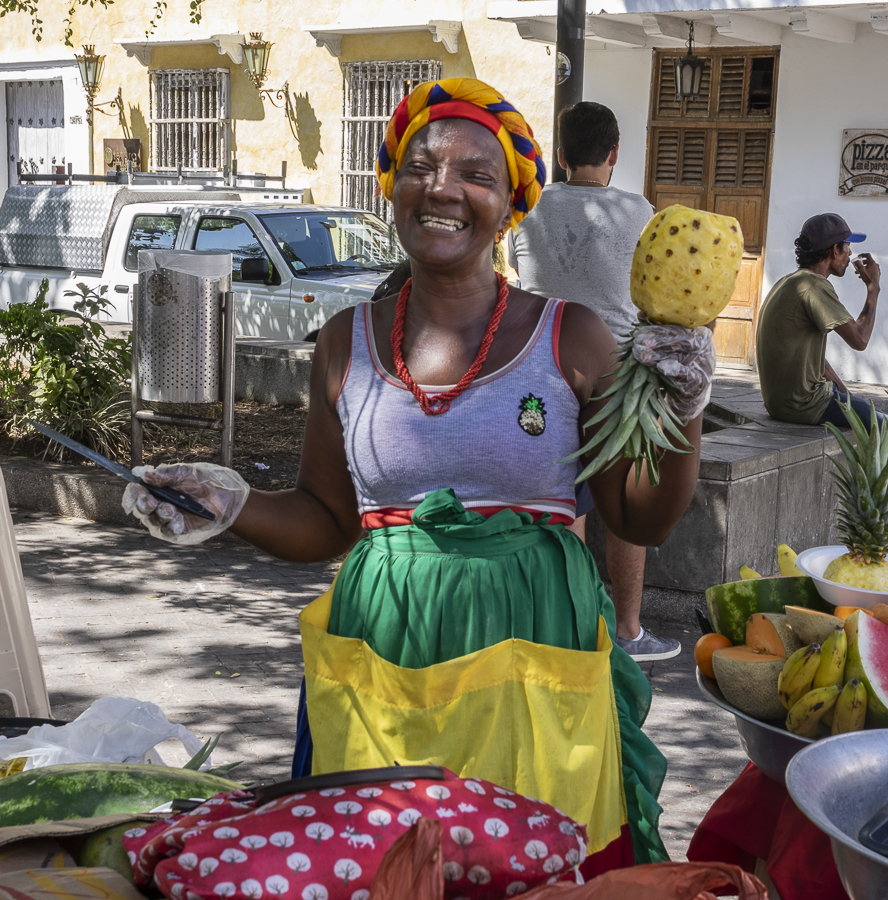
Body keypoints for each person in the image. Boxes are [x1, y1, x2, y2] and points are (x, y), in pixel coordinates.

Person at [123, 78, 711, 875]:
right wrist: (232, 504)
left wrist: (684, 410)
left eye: (477, 173)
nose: (443, 187)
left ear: (509, 206)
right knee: (381, 869)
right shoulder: (343, 342)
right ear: (391, 186)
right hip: (383, 646)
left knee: (538, 870)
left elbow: (641, 521)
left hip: (534, 646)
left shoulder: (573, 338)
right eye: (421, 165)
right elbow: (328, 520)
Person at [508, 101, 678, 662]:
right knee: (627, 505)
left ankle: (575, 628)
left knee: (565, 504)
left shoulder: (528, 211)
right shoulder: (639, 212)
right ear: (613, 155)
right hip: (620, 381)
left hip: (538, 375)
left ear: (560, 155)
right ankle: (627, 631)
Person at [757, 212, 882, 428]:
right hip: (805, 404)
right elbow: (860, 340)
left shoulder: (789, 282)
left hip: (782, 403)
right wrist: (873, 288)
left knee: (864, 408)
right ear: (835, 250)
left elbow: (817, 362)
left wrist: (847, 395)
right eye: (847, 246)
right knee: (884, 425)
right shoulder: (813, 285)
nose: (850, 252)